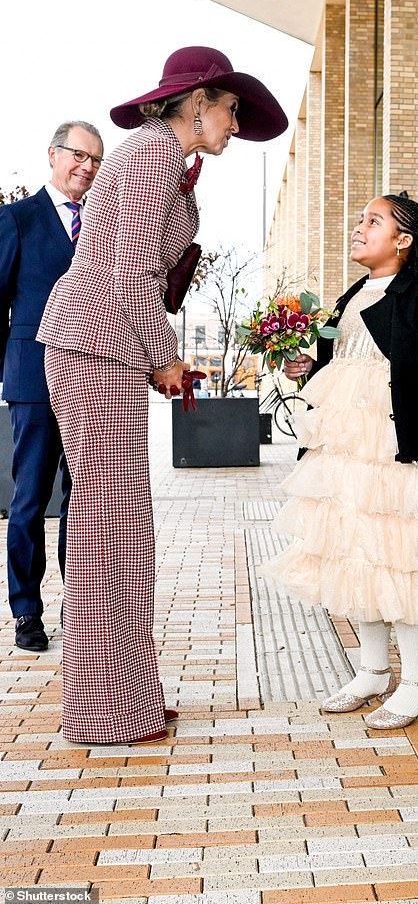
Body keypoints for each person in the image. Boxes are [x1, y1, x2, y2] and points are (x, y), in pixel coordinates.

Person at [37, 47, 287, 744]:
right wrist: (170, 360)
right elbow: (129, 278)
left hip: (103, 346)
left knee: (118, 527)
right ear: (199, 101)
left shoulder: (162, 161)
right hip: (94, 341)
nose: (236, 123)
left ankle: (125, 695)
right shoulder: (150, 156)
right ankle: (104, 708)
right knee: (105, 529)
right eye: (231, 109)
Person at [266, 193, 418, 729]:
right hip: (346, 447)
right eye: (359, 220)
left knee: (400, 553)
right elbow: (343, 354)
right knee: (355, 551)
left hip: (390, 441)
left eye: (374, 221)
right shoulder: (352, 293)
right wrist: (309, 361)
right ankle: (373, 671)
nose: (359, 227)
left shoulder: (417, 291)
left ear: (404, 240)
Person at [0, 121, 103, 652]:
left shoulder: (107, 224)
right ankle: (26, 611)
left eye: (95, 160)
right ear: (53, 155)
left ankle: (80, 608)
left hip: (92, 382)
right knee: (31, 498)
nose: (87, 167)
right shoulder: (16, 219)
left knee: (85, 503)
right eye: (79, 156)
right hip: (34, 380)